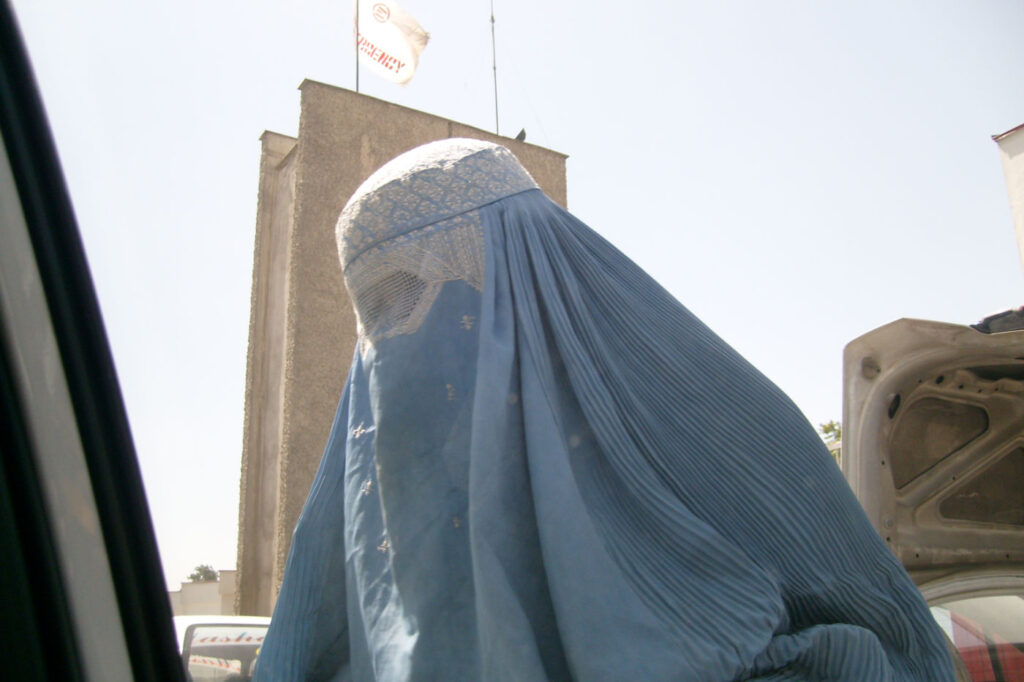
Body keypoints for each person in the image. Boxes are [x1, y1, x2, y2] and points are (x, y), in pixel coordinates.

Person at [255, 138, 953, 681]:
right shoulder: (377, 485)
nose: (401, 334)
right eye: (375, 310)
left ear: (526, 274)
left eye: (414, 290)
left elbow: (885, 643)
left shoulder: (704, 418)